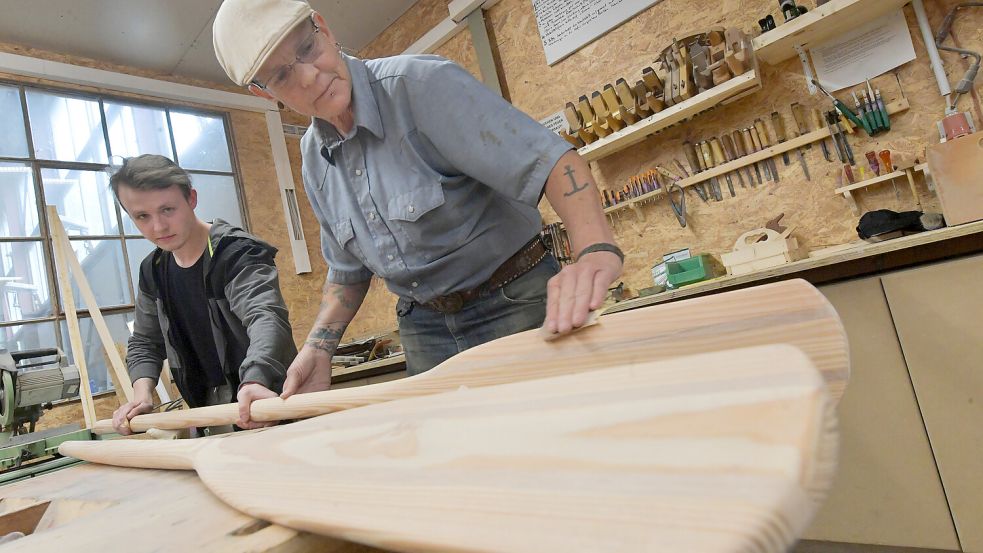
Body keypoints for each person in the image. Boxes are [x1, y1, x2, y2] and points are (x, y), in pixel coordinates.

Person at [212, 0, 623, 394]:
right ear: (265, 93)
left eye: (307, 48)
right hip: (423, 331)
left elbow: (550, 161)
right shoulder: (313, 162)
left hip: (515, 302)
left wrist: (595, 249)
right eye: (282, 77)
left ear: (324, 27)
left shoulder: (420, 86)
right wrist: (319, 348)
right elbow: (347, 273)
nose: (308, 76)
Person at [109, 154, 296, 434]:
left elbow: (265, 318)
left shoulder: (236, 253)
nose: (158, 227)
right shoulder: (154, 268)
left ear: (192, 199)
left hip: (267, 399)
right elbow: (145, 341)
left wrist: (256, 379)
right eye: (142, 216)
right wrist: (142, 394)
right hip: (208, 412)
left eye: (168, 210)